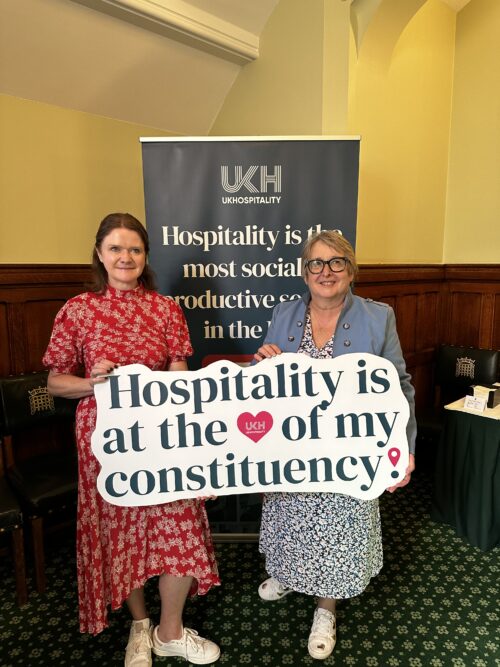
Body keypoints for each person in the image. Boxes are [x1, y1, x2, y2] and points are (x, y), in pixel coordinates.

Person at [43, 213, 220, 667]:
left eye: (135, 249)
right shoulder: (77, 310)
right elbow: (56, 382)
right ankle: (140, 626)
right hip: (105, 442)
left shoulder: (165, 309)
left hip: (163, 439)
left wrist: (181, 417)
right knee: (121, 534)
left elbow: (180, 377)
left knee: (180, 529)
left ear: (145, 256)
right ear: (100, 254)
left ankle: (170, 631)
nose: (126, 257)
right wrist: (92, 383)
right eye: (116, 248)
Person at [253, 230, 416, 661]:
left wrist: (405, 447)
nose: (326, 272)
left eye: (336, 262)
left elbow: (399, 386)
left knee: (338, 526)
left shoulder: (378, 317)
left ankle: (326, 607)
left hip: (350, 453)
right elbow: (266, 382)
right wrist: (260, 363)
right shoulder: (283, 314)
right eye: (316, 263)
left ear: (351, 269)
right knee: (289, 518)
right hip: (292, 450)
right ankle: (289, 574)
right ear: (304, 272)